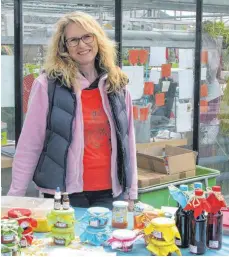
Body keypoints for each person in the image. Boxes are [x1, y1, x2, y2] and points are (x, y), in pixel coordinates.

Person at [8, 12, 138, 210]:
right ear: (64, 47)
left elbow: (128, 143)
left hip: (110, 193)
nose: (82, 45)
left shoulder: (117, 85)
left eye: (87, 36)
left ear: (98, 39)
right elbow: (29, 144)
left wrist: (131, 192)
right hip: (63, 195)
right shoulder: (47, 85)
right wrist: (15, 198)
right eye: (73, 40)